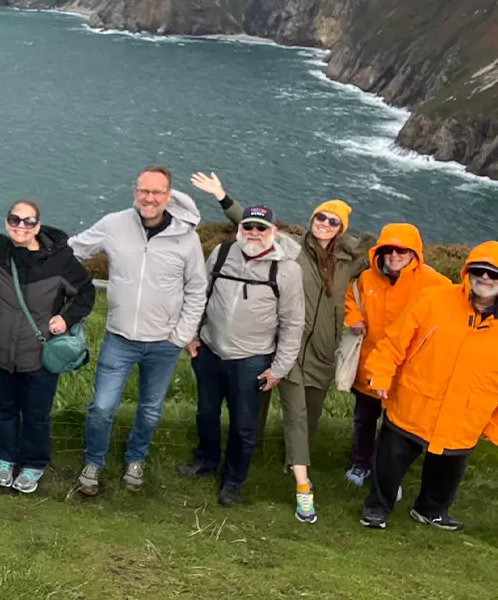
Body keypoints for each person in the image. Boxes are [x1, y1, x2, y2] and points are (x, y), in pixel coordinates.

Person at [191, 172, 372, 522]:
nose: (324, 223)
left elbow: (388, 268)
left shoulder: (351, 261)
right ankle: (267, 468)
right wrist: (223, 196)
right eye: (320, 216)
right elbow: (253, 224)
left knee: (307, 414)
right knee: (259, 408)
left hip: (320, 347)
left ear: (341, 228)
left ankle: (294, 464)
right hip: (281, 341)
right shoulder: (290, 247)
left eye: (333, 221)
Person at [69, 166, 208, 496]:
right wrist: (29, 245)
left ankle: (136, 460)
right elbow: (74, 249)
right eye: (144, 191)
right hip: (118, 337)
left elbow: (197, 289)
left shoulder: (187, 239)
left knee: (150, 409)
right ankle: (94, 462)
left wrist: (181, 334)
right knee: (102, 407)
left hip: (164, 342)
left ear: (168, 197)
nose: (150, 198)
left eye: (157, 192)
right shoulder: (114, 224)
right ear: (135, 192)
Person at [360, 243, 498, 531]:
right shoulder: (433, 299)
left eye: (493, 274)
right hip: (413, 402)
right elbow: (394, 342)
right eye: (479, 270)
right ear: (467, 272)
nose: (485, 278)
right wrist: (381, 375)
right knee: (389, 463)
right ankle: (376, 508)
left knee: (448, 472)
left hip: (466, 416)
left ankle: (431, 511)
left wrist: (493, 424)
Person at [0, 197, 97, 494]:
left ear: (37, 226)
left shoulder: (60, 260)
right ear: (6, 222)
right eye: (15, 220)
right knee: (5, 408)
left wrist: (65, 319)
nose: (21, 226)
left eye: (28, 221)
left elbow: (86, 293)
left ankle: (34, 463)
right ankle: (4, 458)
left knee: (36, 414)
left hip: (39, 354)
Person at [177, 206, 305, 506]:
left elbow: (293, 322)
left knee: (243, 425)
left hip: (252, 360)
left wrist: (279, 369)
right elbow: (199, 295)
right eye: (248, 226)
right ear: (240, 228)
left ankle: (233, 481)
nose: (254, 233)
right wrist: (191, 336)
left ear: (274, 232)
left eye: (261, 228)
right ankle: (206, 460)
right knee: (206, 413)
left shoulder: (287, 270)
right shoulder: (222, 253)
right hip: (209, 350)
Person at [342, 223, 449, 487]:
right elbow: (349, 297)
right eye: (388, 249)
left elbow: (459, 304)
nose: (394, 255)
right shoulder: (367, 278)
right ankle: (361, 464)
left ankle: (387, 475)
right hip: (369, 366)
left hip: (406, 373)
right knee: (364, 420)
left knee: (395, 430)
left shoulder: (434, 282)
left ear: (414, 253)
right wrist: (354, 317)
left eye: (402, 250)